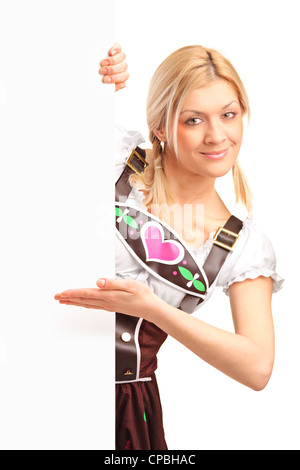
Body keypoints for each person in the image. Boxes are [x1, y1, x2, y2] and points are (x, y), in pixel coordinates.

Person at [54, 43, 284, 450]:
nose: (217, 136)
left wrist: (154, 310)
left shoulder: (241, 245)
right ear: (160, 126)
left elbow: (257, 368)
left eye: (229, 115)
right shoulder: (112, 158)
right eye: (194, 120)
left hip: (124, 409)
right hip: (37, 363)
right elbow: (37, 113)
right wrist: (92, 73)